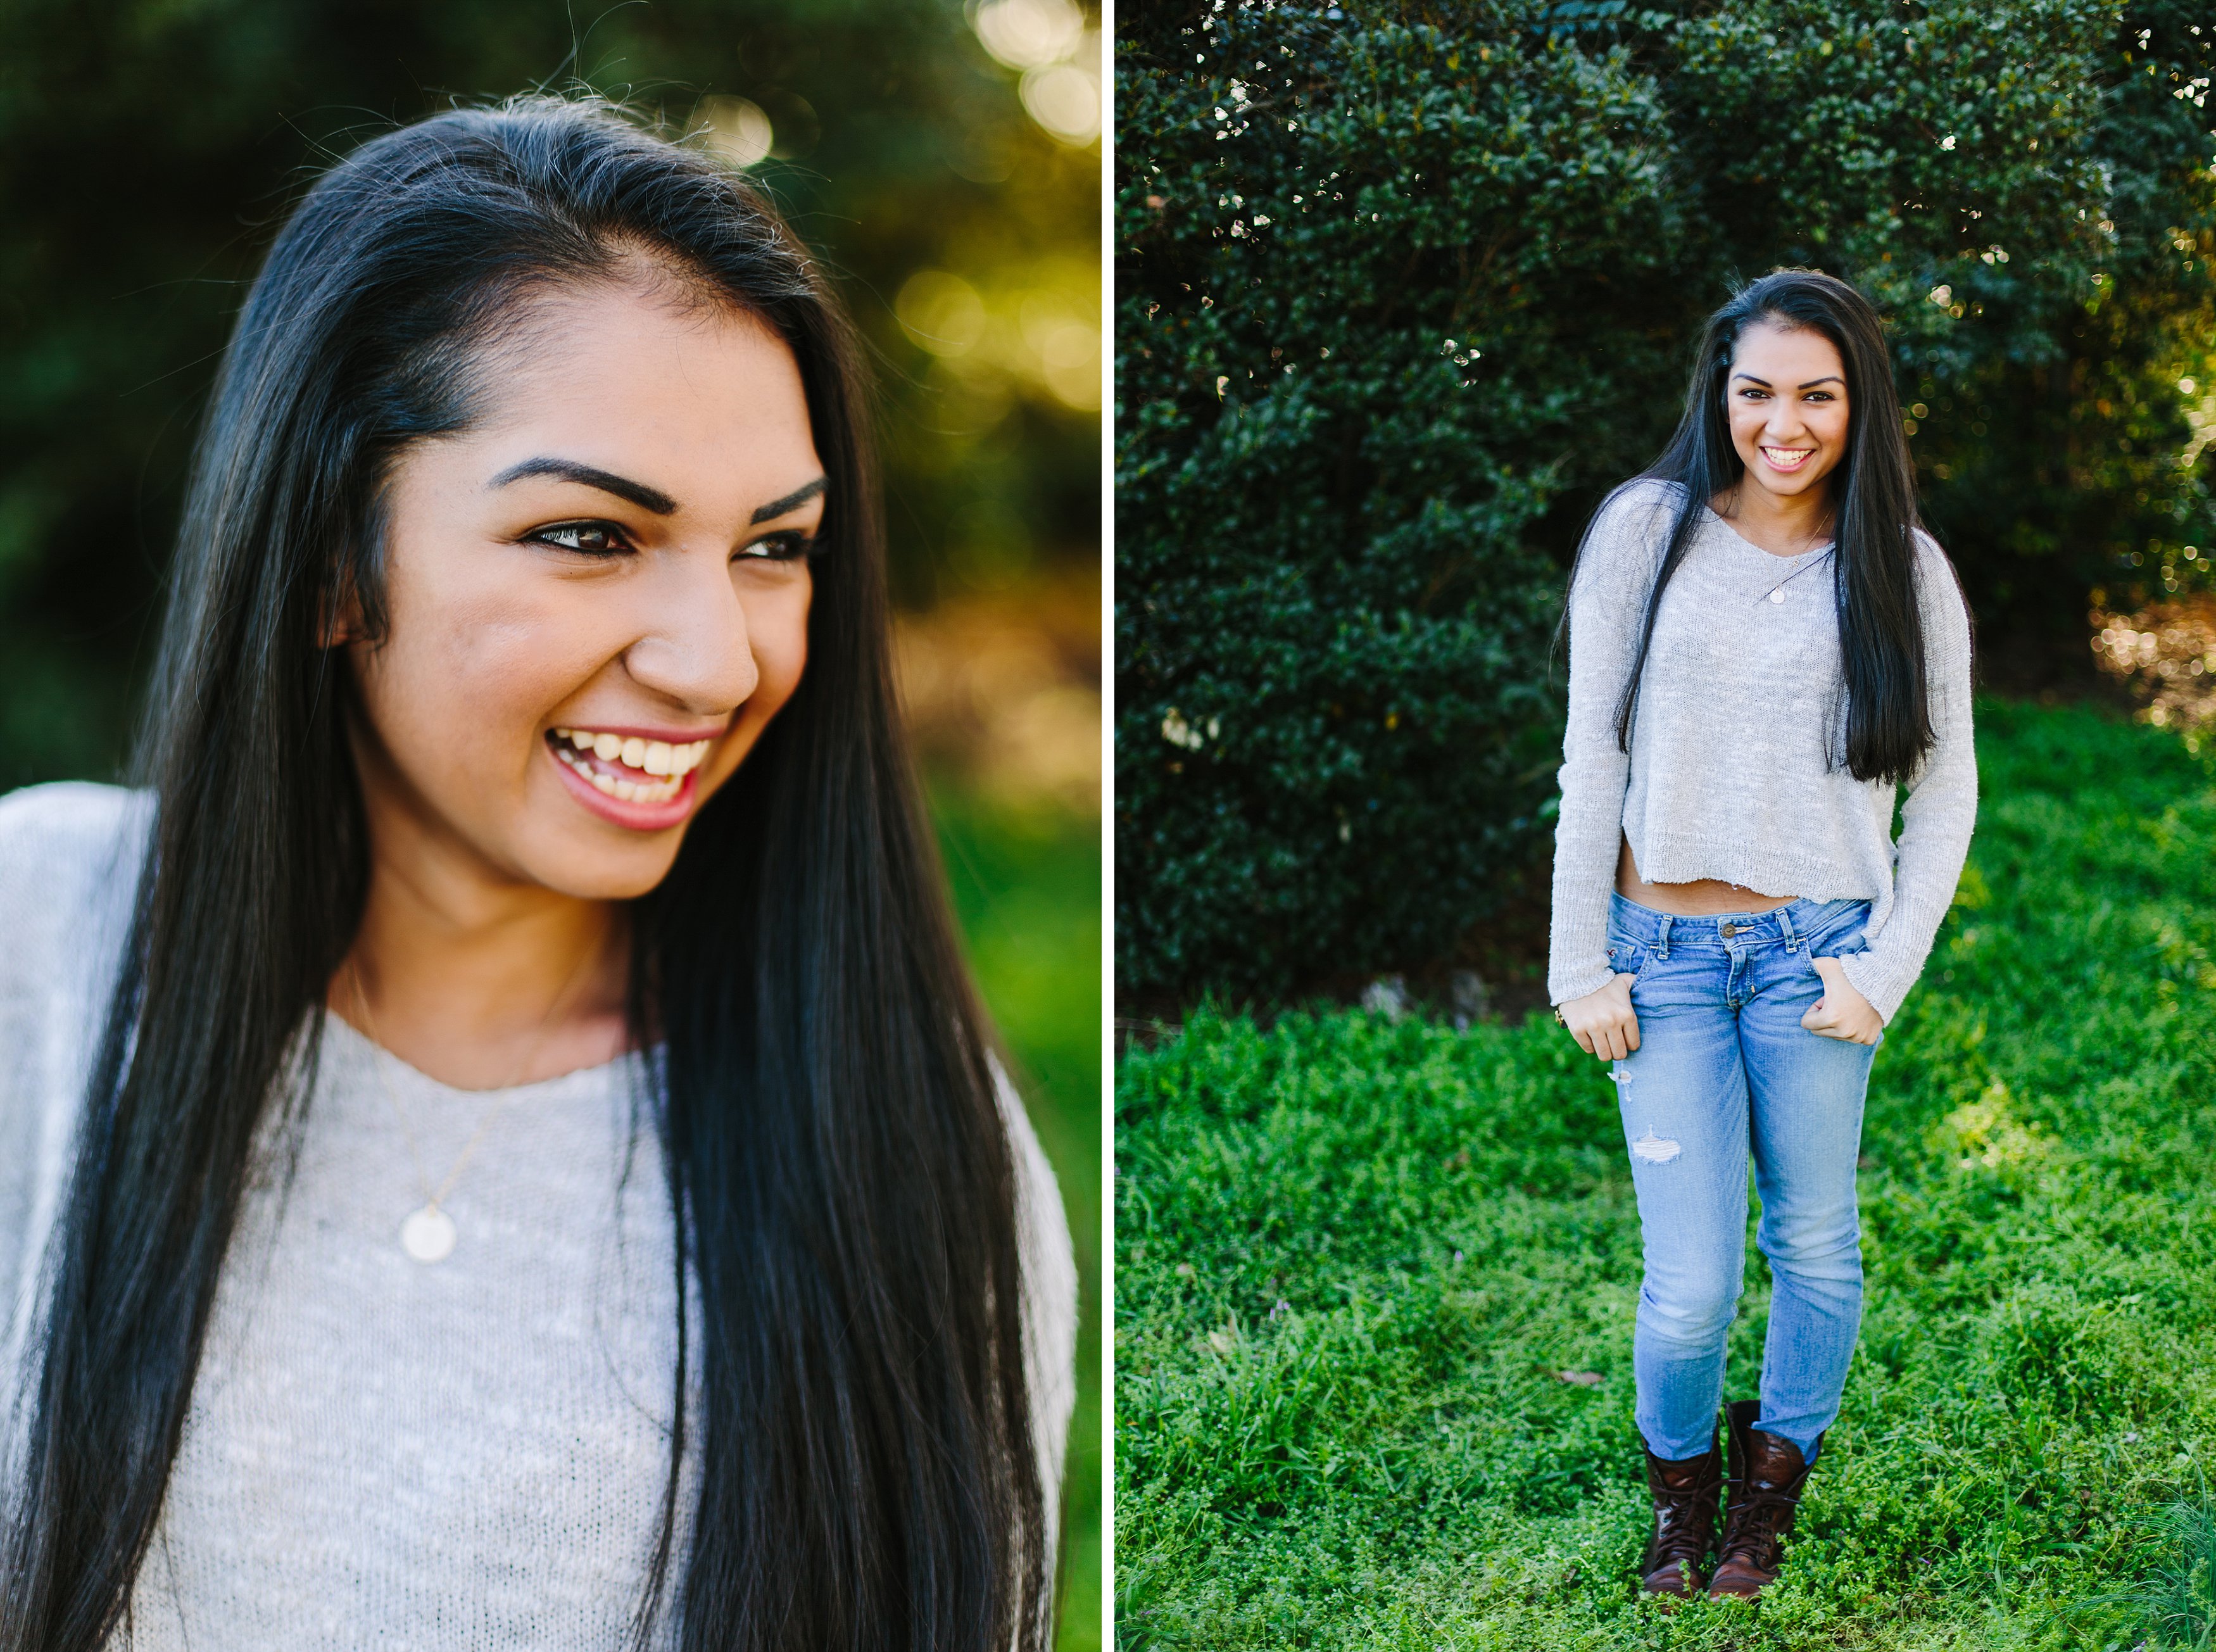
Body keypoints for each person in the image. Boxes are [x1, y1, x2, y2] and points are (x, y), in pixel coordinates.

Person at [0, 97, 1076, 1651]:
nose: (720, 662)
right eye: (589, 537)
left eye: (776, 549)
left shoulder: (908, 1140)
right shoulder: (37, 941)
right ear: (325, 561)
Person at [1548, 269, 1975, 1602]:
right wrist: (1578, 962)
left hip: (1816, 957)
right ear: (1718, 394)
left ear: (1858, 407)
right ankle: (1680, 1496)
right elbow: (1591, 752)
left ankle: (1769, 1489)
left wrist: (1884, 968)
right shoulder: (1645, 530)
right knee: (1687, 1285)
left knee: (1815, 1246)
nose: (1781, 423)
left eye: (1814, 395)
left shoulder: (1902, 567)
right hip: (1660, 959)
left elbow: (1948, 779)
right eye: (1756, 392)